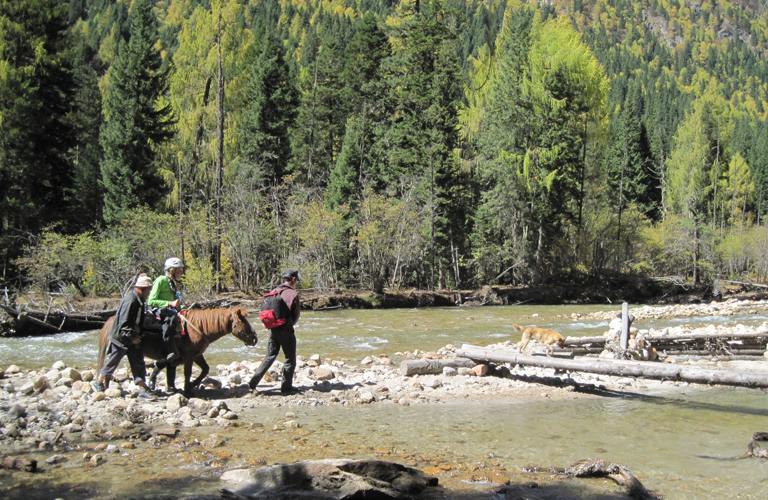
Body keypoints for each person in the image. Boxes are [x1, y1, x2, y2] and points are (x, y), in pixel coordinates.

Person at [92, 275, 154, 398]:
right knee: (114, 361)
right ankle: (98, 382)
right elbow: (124, 322)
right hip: (121, 338)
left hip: (130, 338)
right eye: (148, 289)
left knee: (138, 361)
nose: (149, 292)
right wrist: (133, 336)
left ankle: (142, 388)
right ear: (141, 289)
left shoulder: (138, 299)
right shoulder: (131, 300)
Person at [249, 269, 301, 394]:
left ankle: (253, 382)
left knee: (270, 356)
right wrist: (288, 324)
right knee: (290, 358)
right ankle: (286, 387)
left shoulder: (273, 291)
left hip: (272, 329)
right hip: (286, 330)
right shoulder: (292, 294)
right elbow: (296, 315)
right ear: (293, 279)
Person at [148, 257, 185, 362]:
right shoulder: (161, 280)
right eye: (180, 270)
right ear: (172, 270)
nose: (182, 272)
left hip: (169, 309)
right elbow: (151, 301)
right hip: (158, 309)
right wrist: (169, 303)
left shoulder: (173, 282)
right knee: (171, 318)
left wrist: (180, 306)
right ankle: (165, 350)